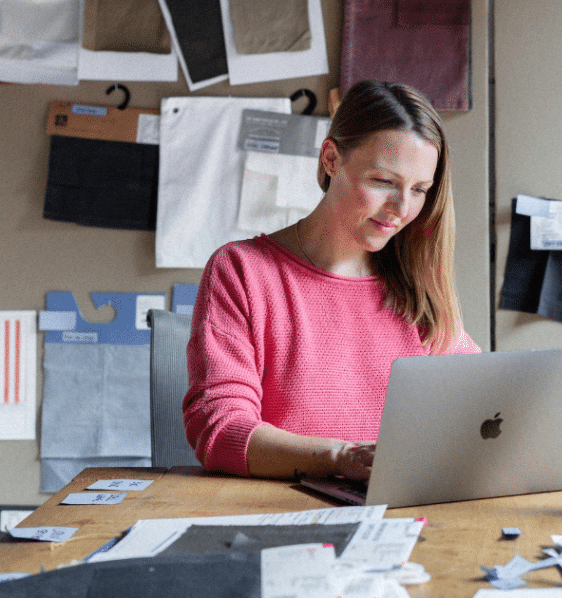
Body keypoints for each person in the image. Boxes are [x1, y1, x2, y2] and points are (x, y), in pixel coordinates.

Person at [183, 80, 480, 483]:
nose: (402, 209)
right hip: (280, 514)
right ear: (331, 159)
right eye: (384, 182)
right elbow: (219, 431)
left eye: (419, 190)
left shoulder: (415, 287)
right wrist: (341, 457)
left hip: (399, 517)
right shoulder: (242, 270)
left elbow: (483, 403)